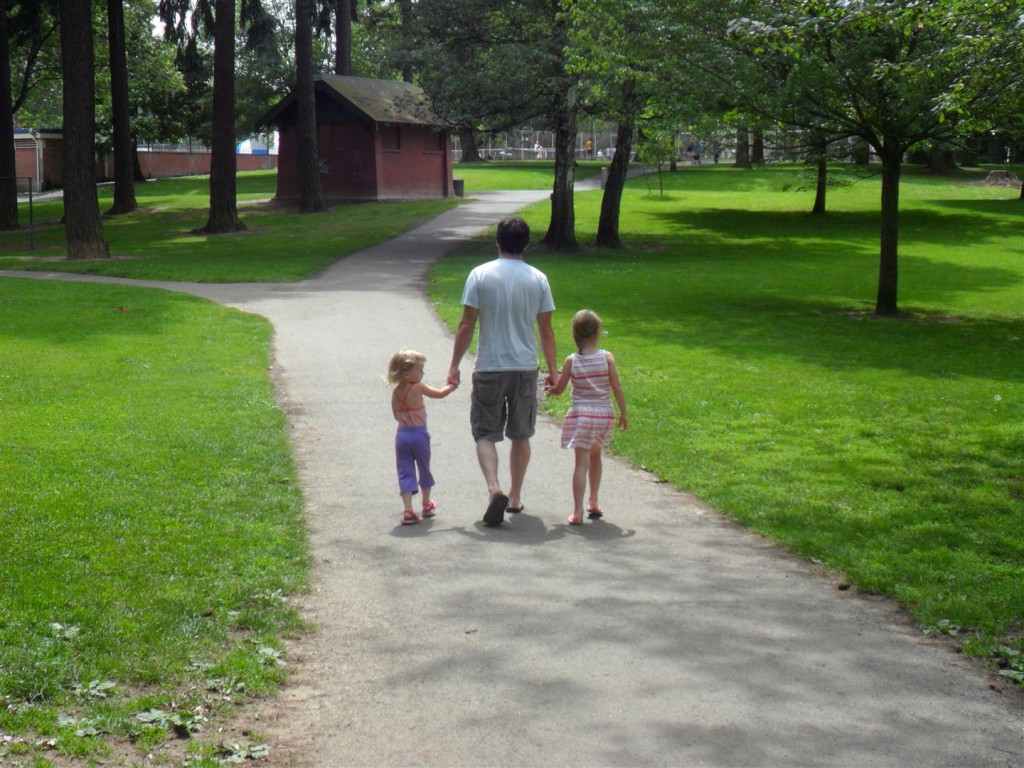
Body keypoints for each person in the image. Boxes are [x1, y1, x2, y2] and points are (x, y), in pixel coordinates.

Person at [448, 216, 558, 527]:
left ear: (497, 241)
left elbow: (467, 324)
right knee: (521, 434)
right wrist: (553, 370)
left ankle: (494, 488)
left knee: (485, 432)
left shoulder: (479, 275)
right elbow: (546, 330)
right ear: (527, 243)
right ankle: (515, 496)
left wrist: (454, 365)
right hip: (524, 366)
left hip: (489, 366)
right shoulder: (538, 278)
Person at [546, 309, 628, 526]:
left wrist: (550, 387)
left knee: (580, 463)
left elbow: (560, 389)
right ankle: (593, 501)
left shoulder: (571, 361)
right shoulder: (607, 358)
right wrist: (623, 412)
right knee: (596, 456)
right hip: (603, 414)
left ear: (575, 334)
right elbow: (616, 387)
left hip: (582, 415)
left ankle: (577, 511)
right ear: (597, 333)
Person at [387, 349, 457, 526]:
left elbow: (396, 415)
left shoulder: (395, 393)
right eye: (420, 370)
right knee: (424, 467)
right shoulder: (418, 387)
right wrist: (452, 385)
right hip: (419, 434)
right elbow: (440, 393)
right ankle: (426, 504)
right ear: (406, 373)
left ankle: (408, 510)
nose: (422, 373)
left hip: (402, 435)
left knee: (405, 470)